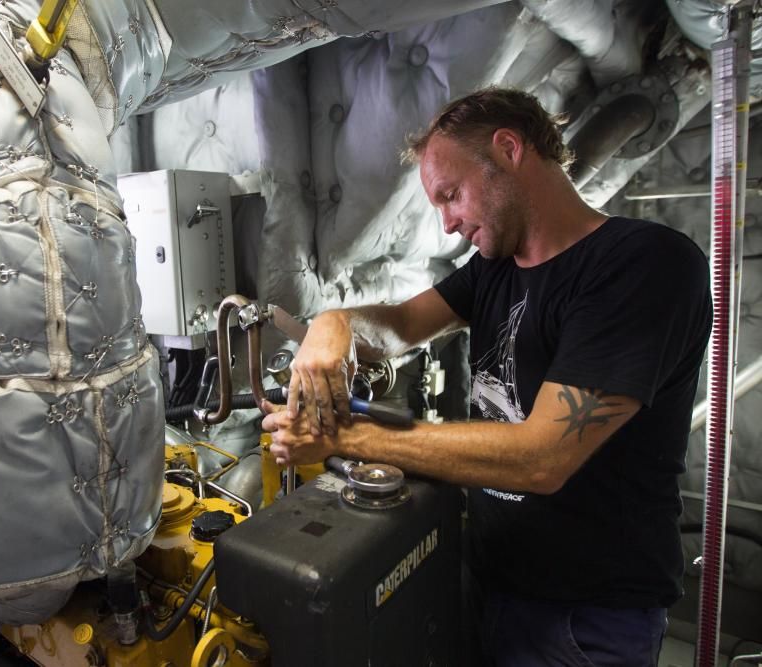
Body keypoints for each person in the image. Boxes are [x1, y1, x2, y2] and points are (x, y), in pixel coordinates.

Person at [261, 87, 712, 666]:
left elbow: (541, 457)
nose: (448, 224)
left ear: (507, 150)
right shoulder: (495, 269)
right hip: (489, 584)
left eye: (450, 195)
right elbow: (401, 324)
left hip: (587, 621)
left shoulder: (644, 264)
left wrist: (343, 437)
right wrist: (332, 324)